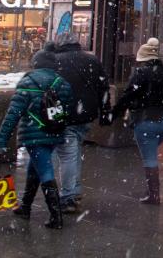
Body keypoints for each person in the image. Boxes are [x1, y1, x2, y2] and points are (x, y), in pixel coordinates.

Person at [0, 50, 73, 229]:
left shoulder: (28, 81)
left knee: (45, 170)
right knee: (34, 167)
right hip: (54, 133)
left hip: (33, 135)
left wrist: (1, 139)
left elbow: (13, 113)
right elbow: (67, 110)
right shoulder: (62, 83)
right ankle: (26, 207)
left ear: (35, 64)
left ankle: (56, 217)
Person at [112, 38, 163, 205]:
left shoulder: (140, 74)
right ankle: (152, 192)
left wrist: (113, 113)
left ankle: (153, 195)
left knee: (149, 159)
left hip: (145, 122)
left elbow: (127, 96)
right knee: (151, 152)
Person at [50, 33, 111, 214]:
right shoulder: (91, 60)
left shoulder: (55, 61)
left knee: (67, 155)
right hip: (85, 114)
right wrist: (105, 111)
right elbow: (103, 87)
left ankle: (68, 196)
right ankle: (73, 190)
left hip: (63, 114)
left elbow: (48, 87)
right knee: (73, 150)